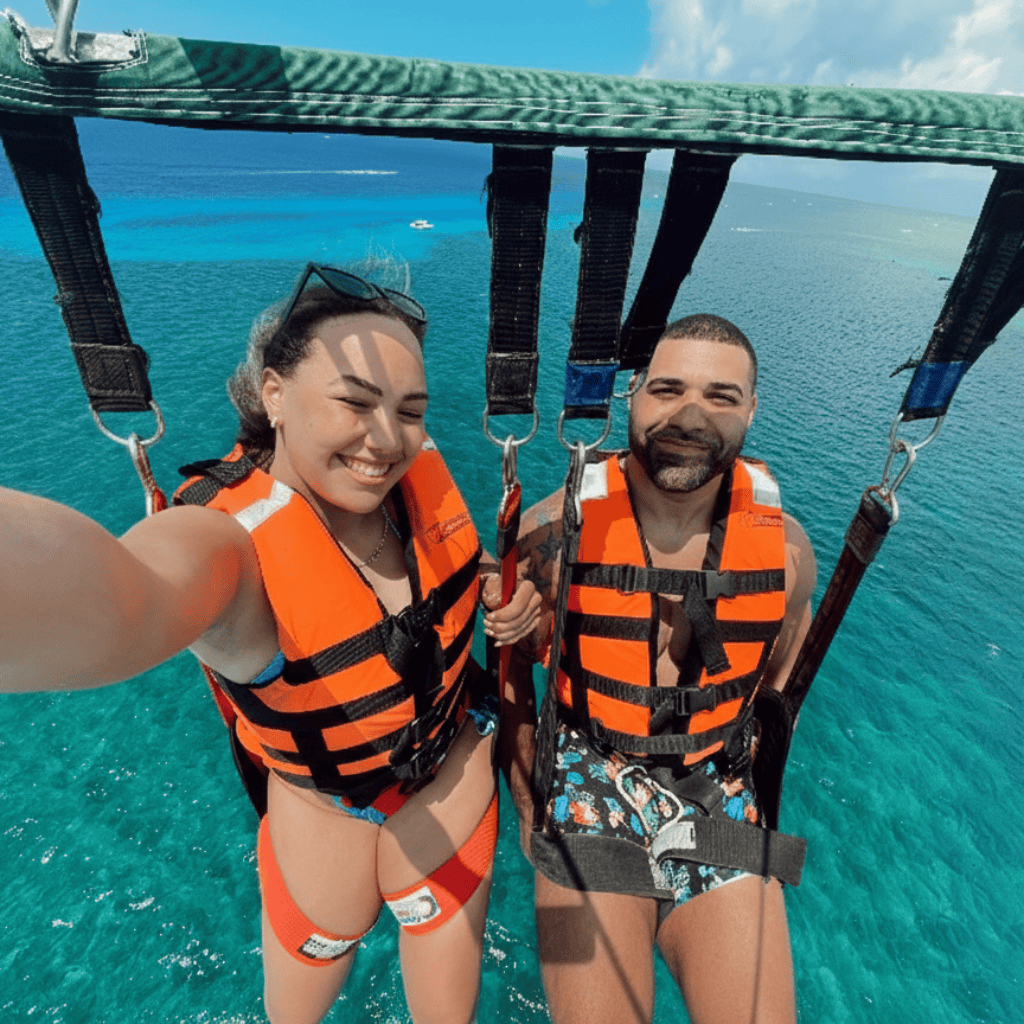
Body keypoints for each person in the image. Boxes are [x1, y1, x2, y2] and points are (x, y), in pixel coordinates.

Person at [0, 263, 540, 1024]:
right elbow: (122, 599)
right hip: (326, 836)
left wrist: (490, 586)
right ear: (276, 396)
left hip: (451, 797)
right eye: (355, 401)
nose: (387, 438)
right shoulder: (232, 551)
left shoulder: (412, 491)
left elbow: (430, 586)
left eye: (411, 410)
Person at [501, 314, 817, 1024]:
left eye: (722, 397)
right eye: (667, 388)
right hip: (590, 779)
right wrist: (529, 804)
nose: (691, 415)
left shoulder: (788, 555)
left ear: (753, 411)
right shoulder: (554, 537)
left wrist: (748, 786)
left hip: (716, 783)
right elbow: (514, 687)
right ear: (631, 397)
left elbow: (773, 687)